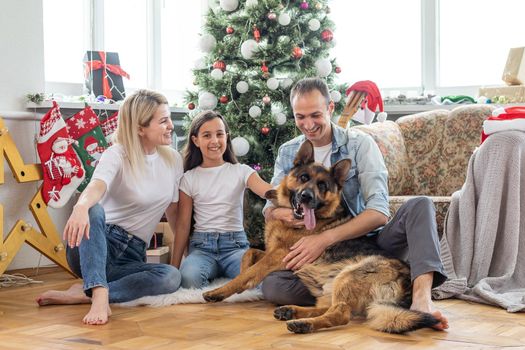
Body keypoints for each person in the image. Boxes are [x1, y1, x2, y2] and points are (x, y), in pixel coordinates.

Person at [261, 77, 449, 330]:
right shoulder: (288, 151)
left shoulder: (359, 145)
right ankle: (351, 297)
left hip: (370, 243)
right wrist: (282, 212)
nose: (308, 124)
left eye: (315, 115)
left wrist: (324, 239)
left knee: (421, 205)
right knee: (274, 287)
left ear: (330, 109)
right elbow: (270, 204)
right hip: (324, 261)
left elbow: (379, 212)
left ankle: (421, 298)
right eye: (300, 116)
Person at [36, 90, 184, 325]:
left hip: (132, 254)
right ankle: (99, 293)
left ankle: (87, 293)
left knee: (171, 277)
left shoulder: (173, 160)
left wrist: (180, 257)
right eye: (163, 121)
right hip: (96, 242)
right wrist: (80, 207)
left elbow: (174, 213)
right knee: (93, 209)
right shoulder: (116, 154)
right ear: (139, 128)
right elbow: (96, 186)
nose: (170, 126)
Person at [171, 110, 273, 288]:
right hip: (202, 248)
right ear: (196, 140)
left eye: (219, 134)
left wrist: (294, 192)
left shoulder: (241, 171)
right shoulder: (189, 178)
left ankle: (228, 277)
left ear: (227, 137)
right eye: (207, 135)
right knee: (188, 280)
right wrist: (174, 267)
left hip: (235, 247)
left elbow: (268, 191)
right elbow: (182, 225)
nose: (214, 141)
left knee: (258, 280)